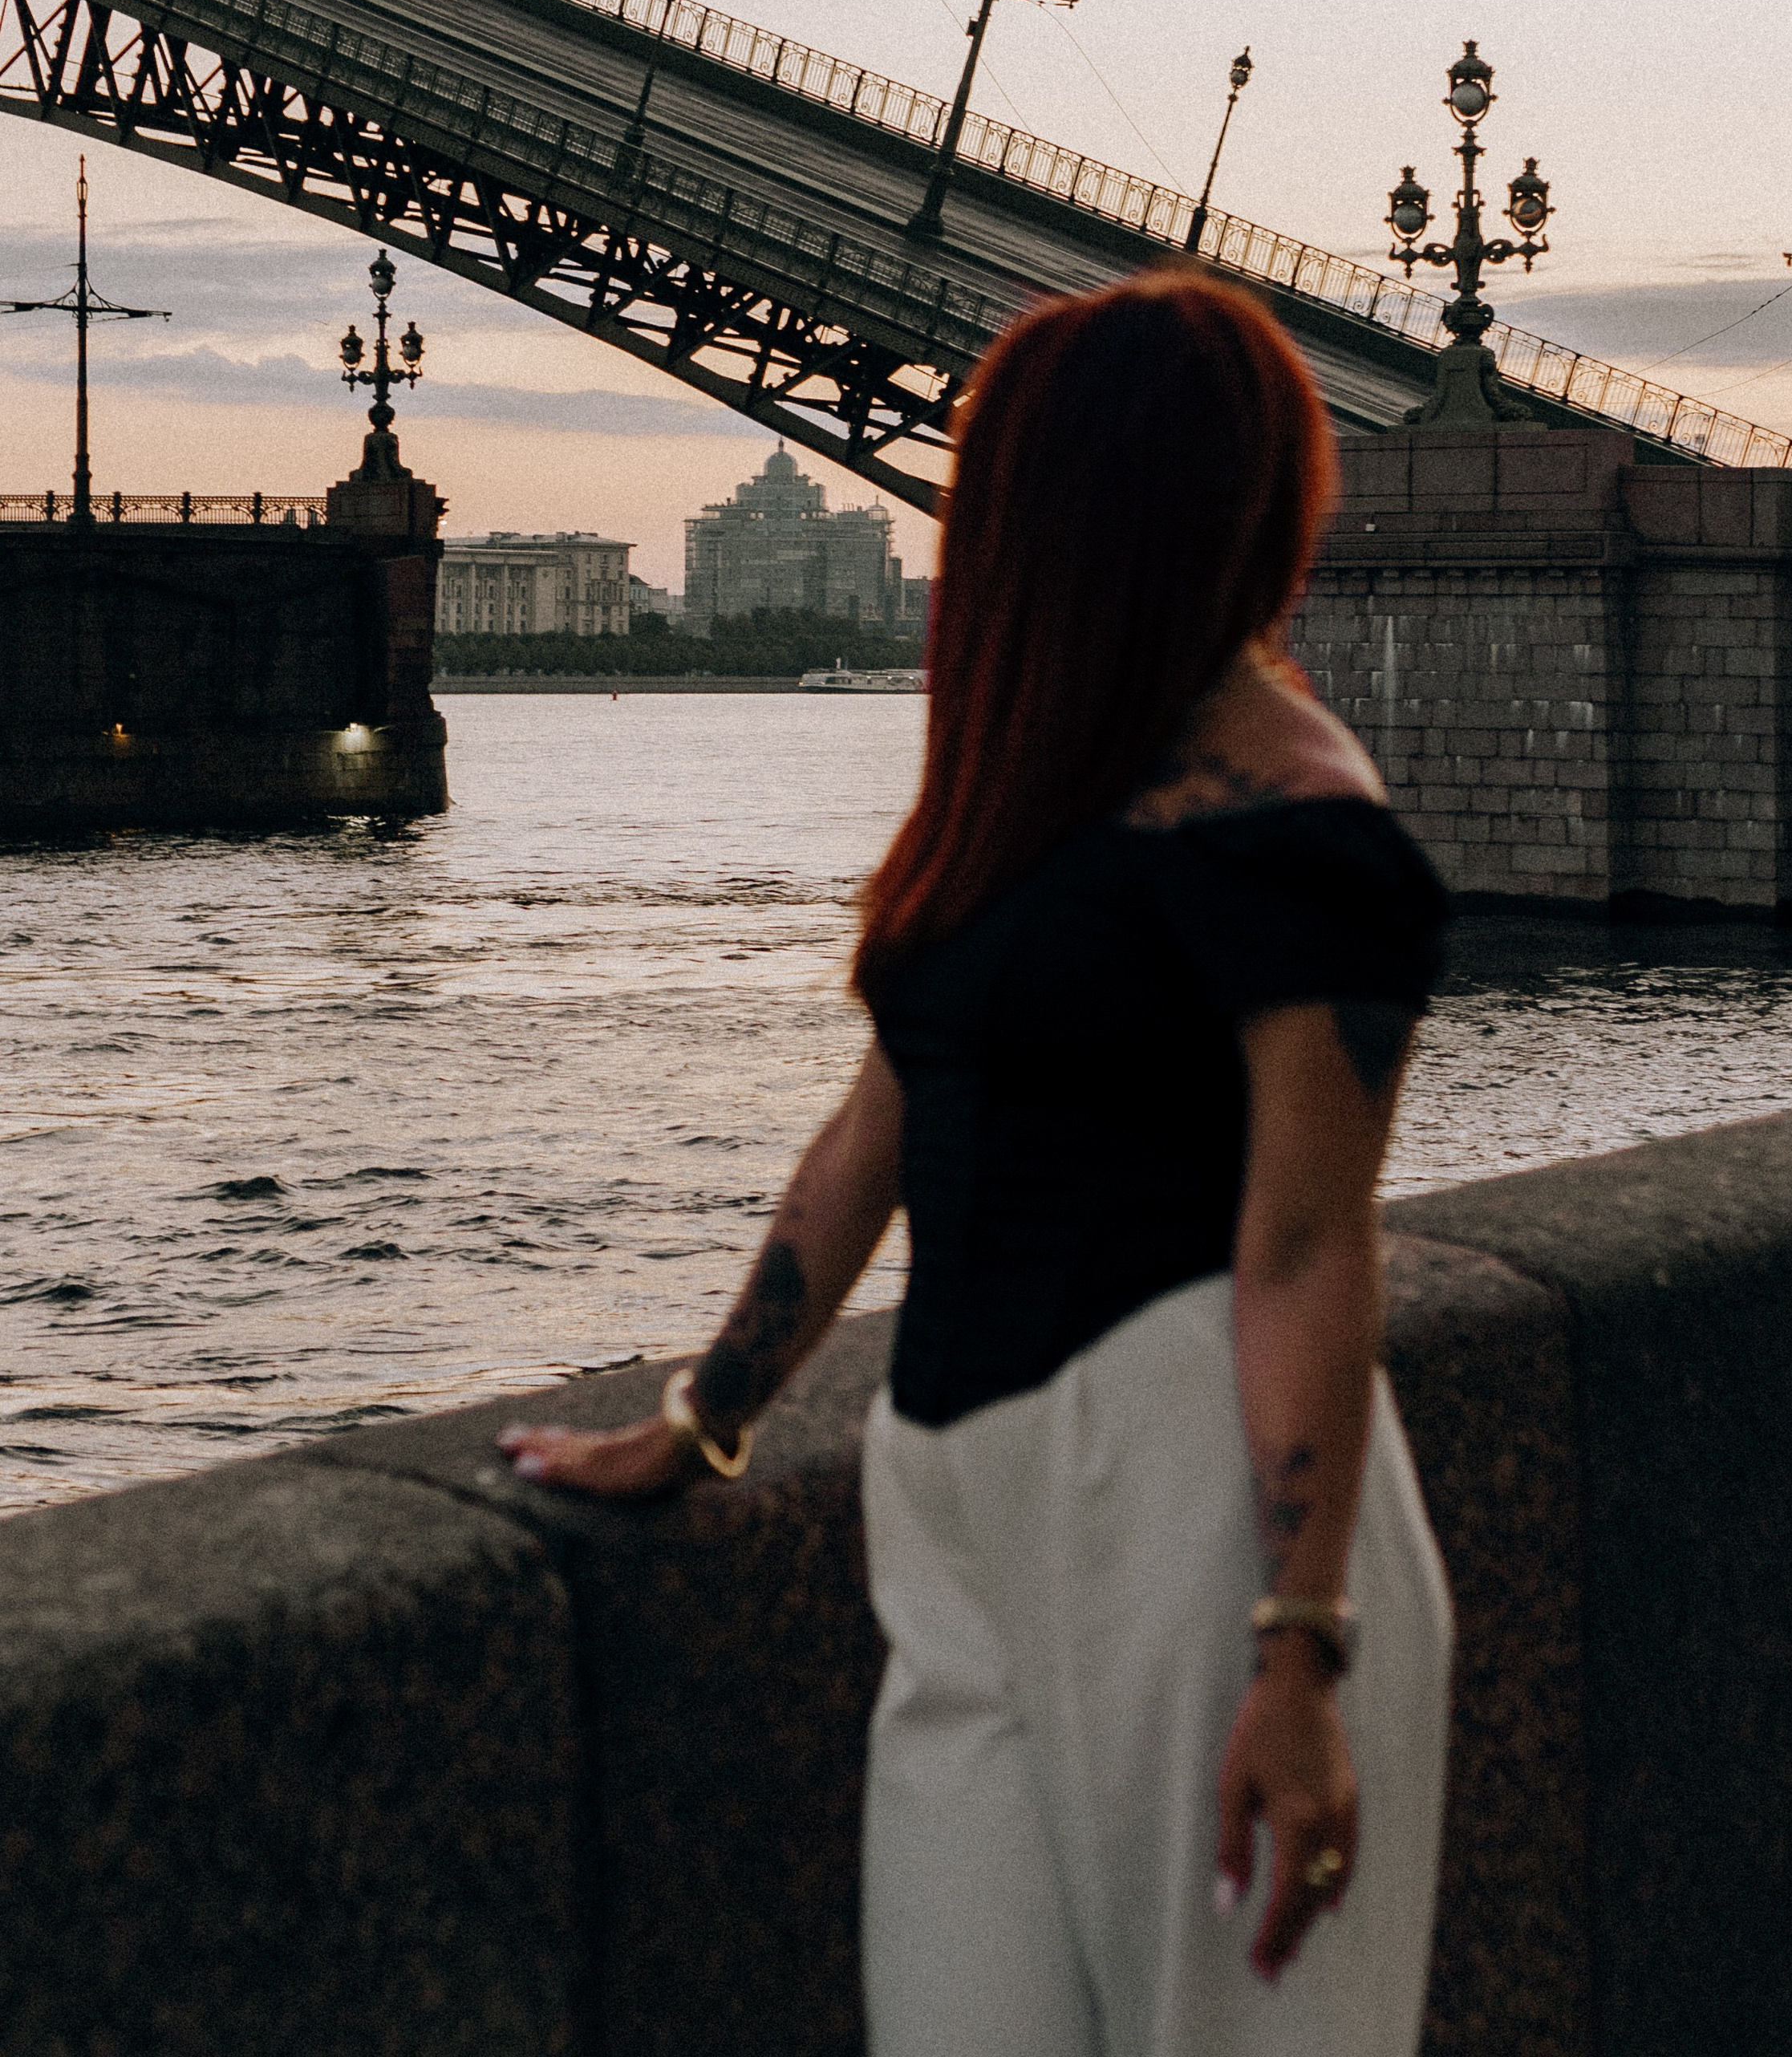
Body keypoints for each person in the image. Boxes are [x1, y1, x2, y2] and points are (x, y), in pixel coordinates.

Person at [501, 270, 1453, 2054]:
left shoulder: (1302, 833)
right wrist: (704, 1416)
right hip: (950, 1511)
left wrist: (1299, 1649)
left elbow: (1309, 1248)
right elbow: (880, 1125)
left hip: (1186, 1507)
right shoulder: (1043, 797)